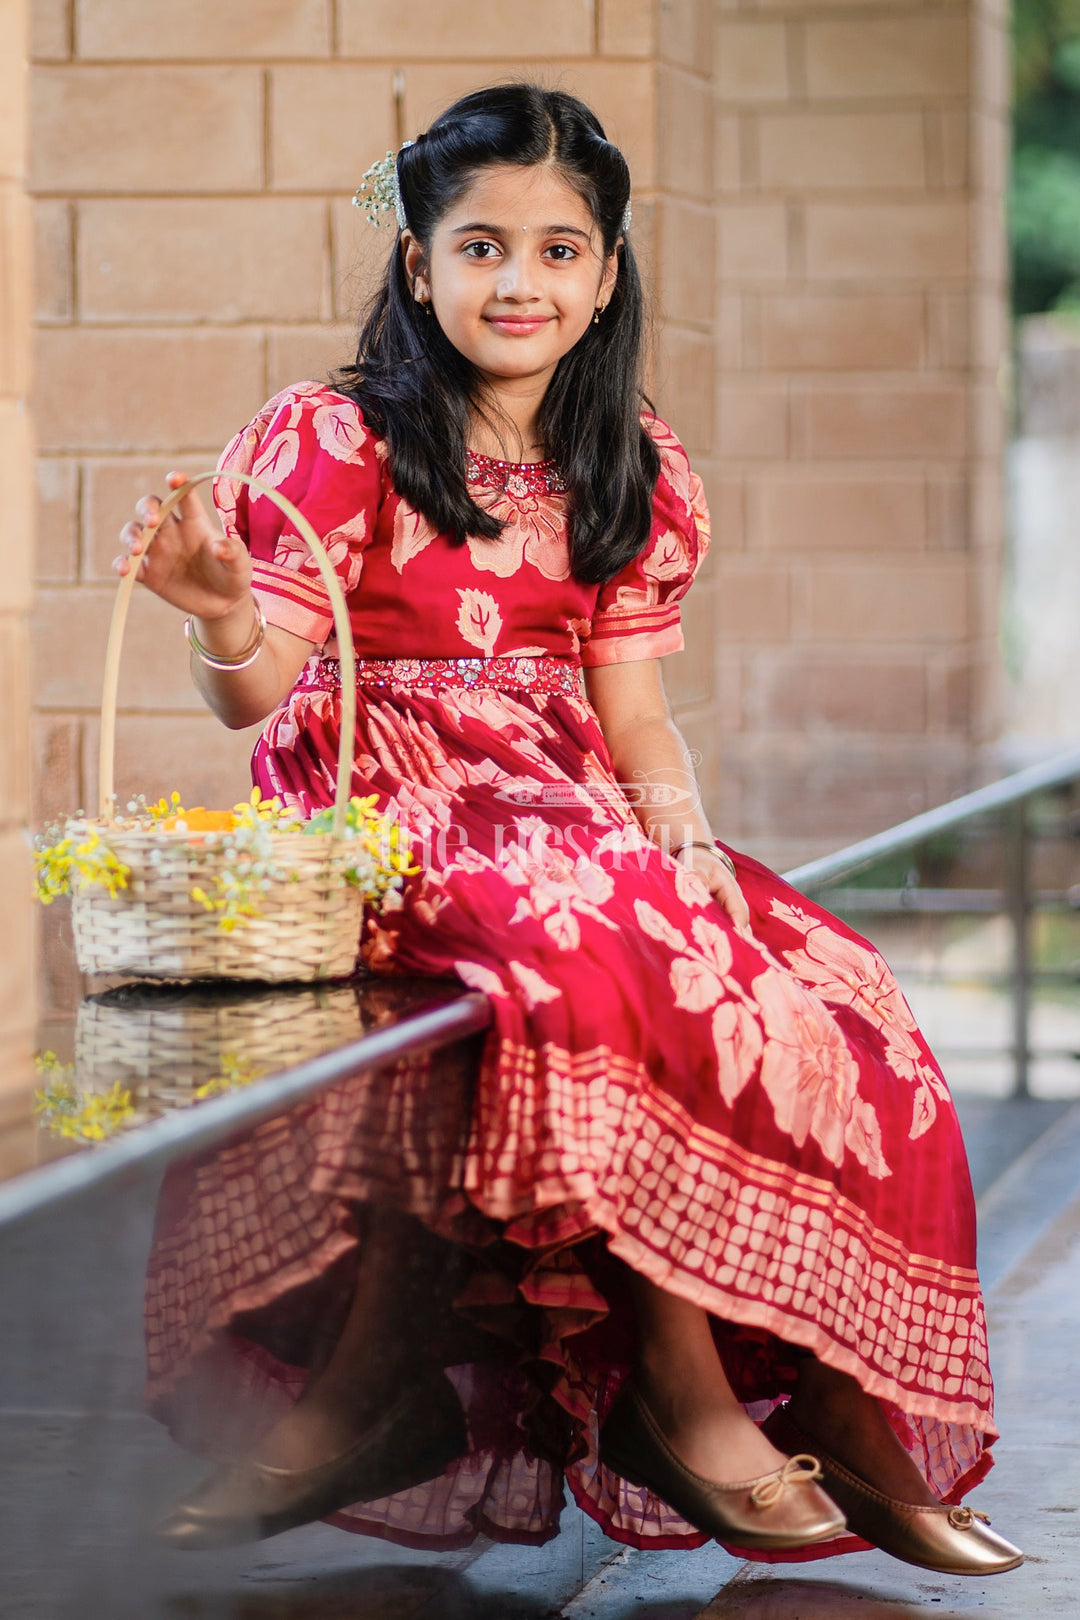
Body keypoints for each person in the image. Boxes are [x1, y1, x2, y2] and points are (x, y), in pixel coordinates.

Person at [117, 84, 1021, 1575]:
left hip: (575, 802)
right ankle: (679, 1392)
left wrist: (687, 848)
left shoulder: (631, 459)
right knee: (601, 954)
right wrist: (221, 610)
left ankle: (848, 1407)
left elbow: (637, 709)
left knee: (836, 985)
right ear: (418, 265)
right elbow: (258, 691)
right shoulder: (332, 436)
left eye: (556, 250)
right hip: (392, 797)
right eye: (480, 248)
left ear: (605, 275)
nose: (518, 283)